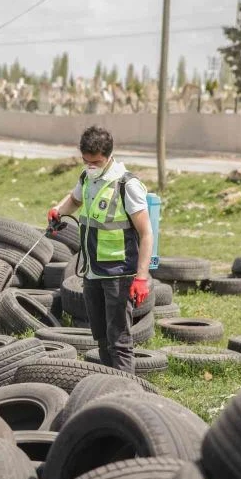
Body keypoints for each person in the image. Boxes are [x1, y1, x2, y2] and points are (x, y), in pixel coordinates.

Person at [48, 126, 153, 374]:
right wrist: (58, 210)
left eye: (95, 161)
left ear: (109, 156)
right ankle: (109, 383)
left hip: (118, 273)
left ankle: (127, 392)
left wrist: (141, 277)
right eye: (86, 160)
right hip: (92, 271)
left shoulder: (127, 185)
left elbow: (147, 233)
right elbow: (74, 200)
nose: (90, 165)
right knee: (102, 337)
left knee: (119, 339)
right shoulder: (87, 177)